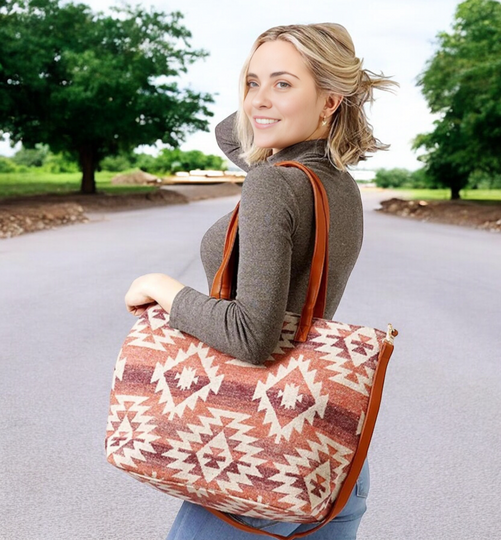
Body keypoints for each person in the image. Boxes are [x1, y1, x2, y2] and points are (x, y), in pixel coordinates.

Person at [124, 22, 397, 540]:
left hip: (256, 451)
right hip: (330, 457)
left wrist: (161, 286)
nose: (258, 102)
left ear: (331, 100)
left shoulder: (273, 182)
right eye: (252, 83)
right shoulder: (336, 182)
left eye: (283, 84)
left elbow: (254, 336)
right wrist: (306, 68)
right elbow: (235, 131)